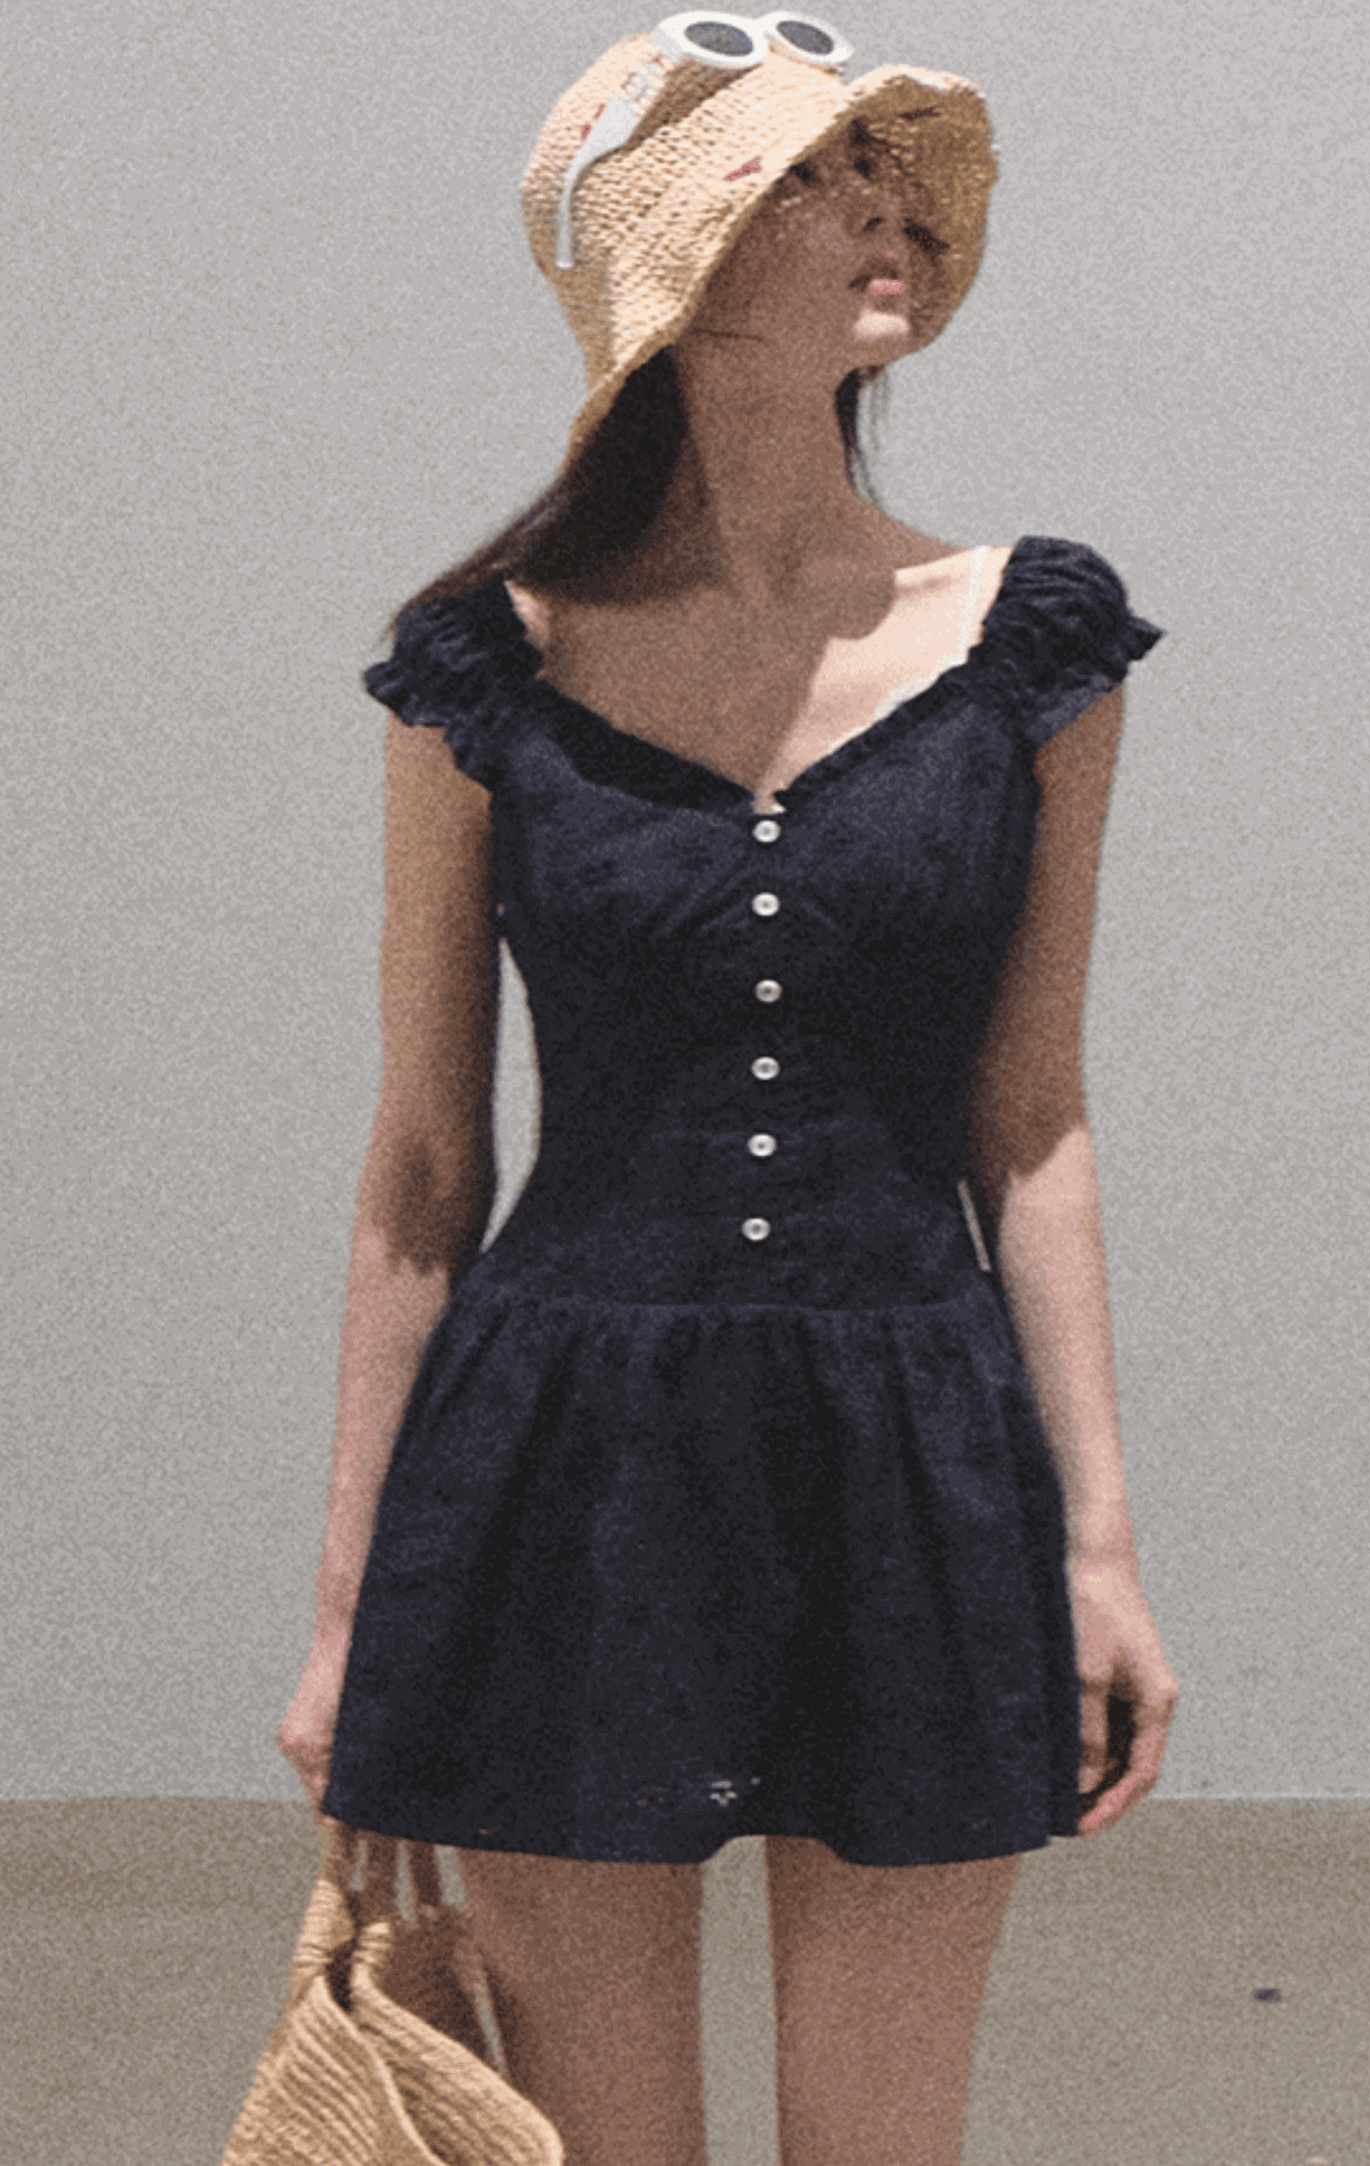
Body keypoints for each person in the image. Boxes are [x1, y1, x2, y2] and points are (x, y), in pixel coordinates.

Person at [277, 15, 1179, 2166]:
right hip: (559, 1466)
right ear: (668, 273)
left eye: (882, 173)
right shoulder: (486, 661)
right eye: (806, 180)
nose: (881, 213)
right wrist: (347, 1615)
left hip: (916, 1449)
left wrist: (1101, 1547)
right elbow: (424, 1164)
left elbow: (1030, 1121)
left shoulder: (1025, 642)